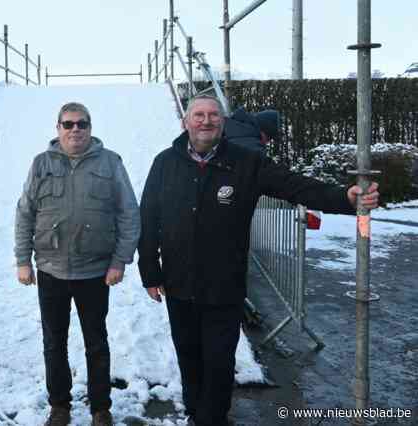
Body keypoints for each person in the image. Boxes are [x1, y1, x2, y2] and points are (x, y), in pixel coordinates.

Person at [137, 94, 379, 426]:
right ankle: (195, 412)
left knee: (219, 361)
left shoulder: (246, 162)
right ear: (185, 122)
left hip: (225, 284)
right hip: (179, 283)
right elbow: (148, 217)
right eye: (199, 115)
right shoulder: (165, 162)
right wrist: (150, 270)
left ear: (222, 122)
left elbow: (294, 186)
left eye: (213, 115)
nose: (206, 121)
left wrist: (343, 198)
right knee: (189, 356)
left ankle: (213, 418)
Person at [14, 102, 140, 426]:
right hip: (51, 270)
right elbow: (25, 212)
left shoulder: (111, 163)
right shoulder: (41, 164)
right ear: (58, 128)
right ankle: (60, 406)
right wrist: (22, 261)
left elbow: (129, 213)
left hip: (95, 272)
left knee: (96, 342)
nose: (75, 130)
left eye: (81, 124)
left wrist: (120, 261)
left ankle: (101, 408)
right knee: (53, 342)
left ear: (90, 127)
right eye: (68, 124)